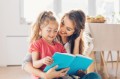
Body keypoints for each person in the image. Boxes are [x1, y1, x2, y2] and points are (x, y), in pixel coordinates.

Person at [22, 10, 101, 79]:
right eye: (62, 23)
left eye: (68, 29)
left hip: (64, 75)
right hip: (46, 76)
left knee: (94, 76)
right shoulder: (45, 38)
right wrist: (44, 75)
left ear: (75, 32)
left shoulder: (65, 44)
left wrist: (77, 41)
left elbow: (72, 67)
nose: (62, 29)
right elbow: (26, 63)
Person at [28, 11, 69, 79]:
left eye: (55, 31)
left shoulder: (60, 46)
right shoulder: (37, 44)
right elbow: (35, 64)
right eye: (49, 30)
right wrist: (42, 61)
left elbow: (66, 60)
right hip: (43, 76)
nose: (52, 34)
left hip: (57, 75)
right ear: (40, 30)